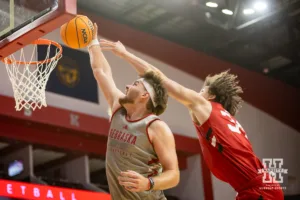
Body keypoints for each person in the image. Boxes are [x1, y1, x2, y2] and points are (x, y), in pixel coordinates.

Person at [100, 39, 284, 200]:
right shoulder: (225, 119)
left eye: (201, 90)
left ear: (210, 96)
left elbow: (160, 78)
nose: (197, 93)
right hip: (258, 188)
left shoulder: (205, 106)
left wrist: (124, 54)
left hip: (258, 191)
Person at [87, 24, 179, 200]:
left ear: (145, 95)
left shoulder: (156, 127)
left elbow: (173, 174)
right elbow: (101, 71)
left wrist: (148, 183)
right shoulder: (118, 108)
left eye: (135, 84)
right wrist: (92, 41)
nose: (128, 85)